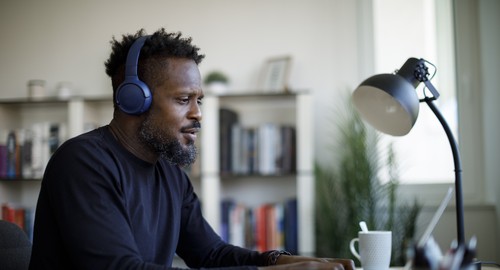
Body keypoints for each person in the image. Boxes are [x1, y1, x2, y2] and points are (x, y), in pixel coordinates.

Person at [28, 28, 355, 270]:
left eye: (199, 100)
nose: (198, 113)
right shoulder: (82, 163)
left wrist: (281, 262)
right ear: (133, 100)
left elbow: (211, 254)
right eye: (184, 99)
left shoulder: (171, 174)